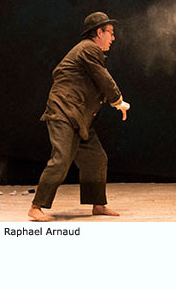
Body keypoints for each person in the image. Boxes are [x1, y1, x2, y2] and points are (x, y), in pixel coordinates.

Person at [28, 12, 130, 221]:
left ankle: (98, 205)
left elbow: (91, 84)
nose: (113, 38)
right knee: (61, 159)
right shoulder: (88, 49)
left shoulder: (87, 53)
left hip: (80, 118)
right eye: (110, 33)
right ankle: (36, 207)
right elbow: (103, 78)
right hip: (64, 113)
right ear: (98, 32)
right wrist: (118, 100)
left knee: (96, 159)